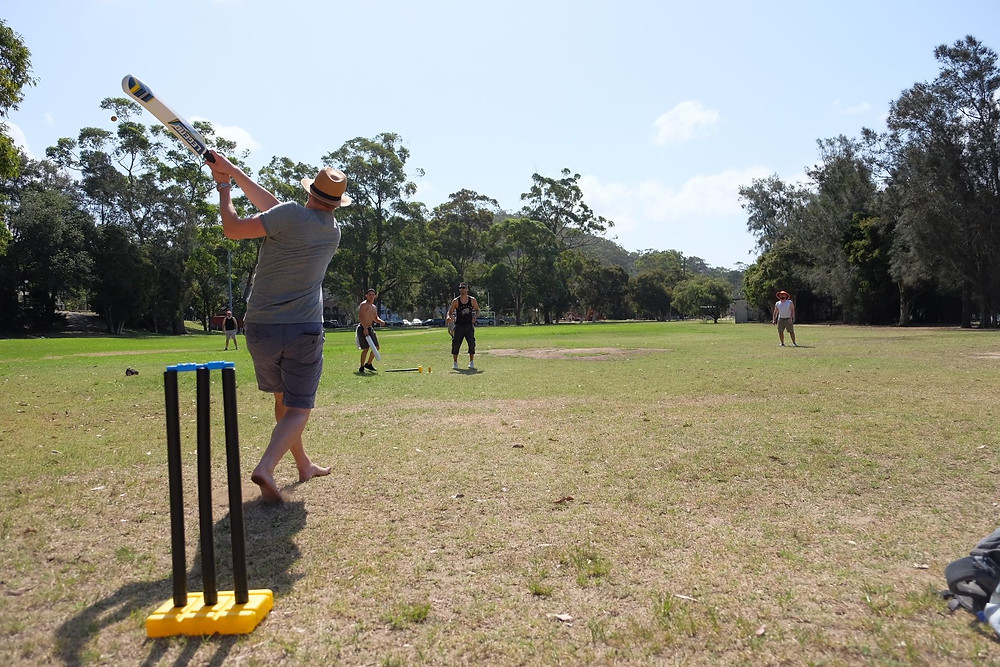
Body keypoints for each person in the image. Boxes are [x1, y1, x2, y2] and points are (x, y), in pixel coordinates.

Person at [207, 150, 350, 503]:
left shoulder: (288, 216)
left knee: (284, 403)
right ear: (336, 203)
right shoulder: (333, 231)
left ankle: (303, 465)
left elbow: (233, 229)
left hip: (260, 328)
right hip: (302, 329)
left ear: (309, 193)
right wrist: (234, 172)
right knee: (299, 408)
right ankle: (267, 466)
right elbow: (277, 210)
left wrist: (224, 187)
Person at [446, 282, 479, 370]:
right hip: (459, 326)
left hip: (469, 325)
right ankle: (455, 363)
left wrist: (475, 317)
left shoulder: (472, 300)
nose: (462, 289)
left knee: (471, 344)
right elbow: (450, 312)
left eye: (464, 288)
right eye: (460, 288)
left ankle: (471, 362)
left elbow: (477, 310)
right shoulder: (456, 301)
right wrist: (449, 318)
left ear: (467, 289)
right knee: (456, 344)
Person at [357, 288, 385, 372]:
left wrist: (381, 321)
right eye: (370, 294)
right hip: (362, 328)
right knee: (366, 348)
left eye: (373, 295)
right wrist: (364, 328)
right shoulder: (363, 305)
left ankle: (368, 364)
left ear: (375, 296)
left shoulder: (374, 307)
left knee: (376, 346)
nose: (371, 296)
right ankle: (361, 367)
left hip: (370, 328)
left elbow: (375, 318)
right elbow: (361, 316)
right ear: (366, 296)